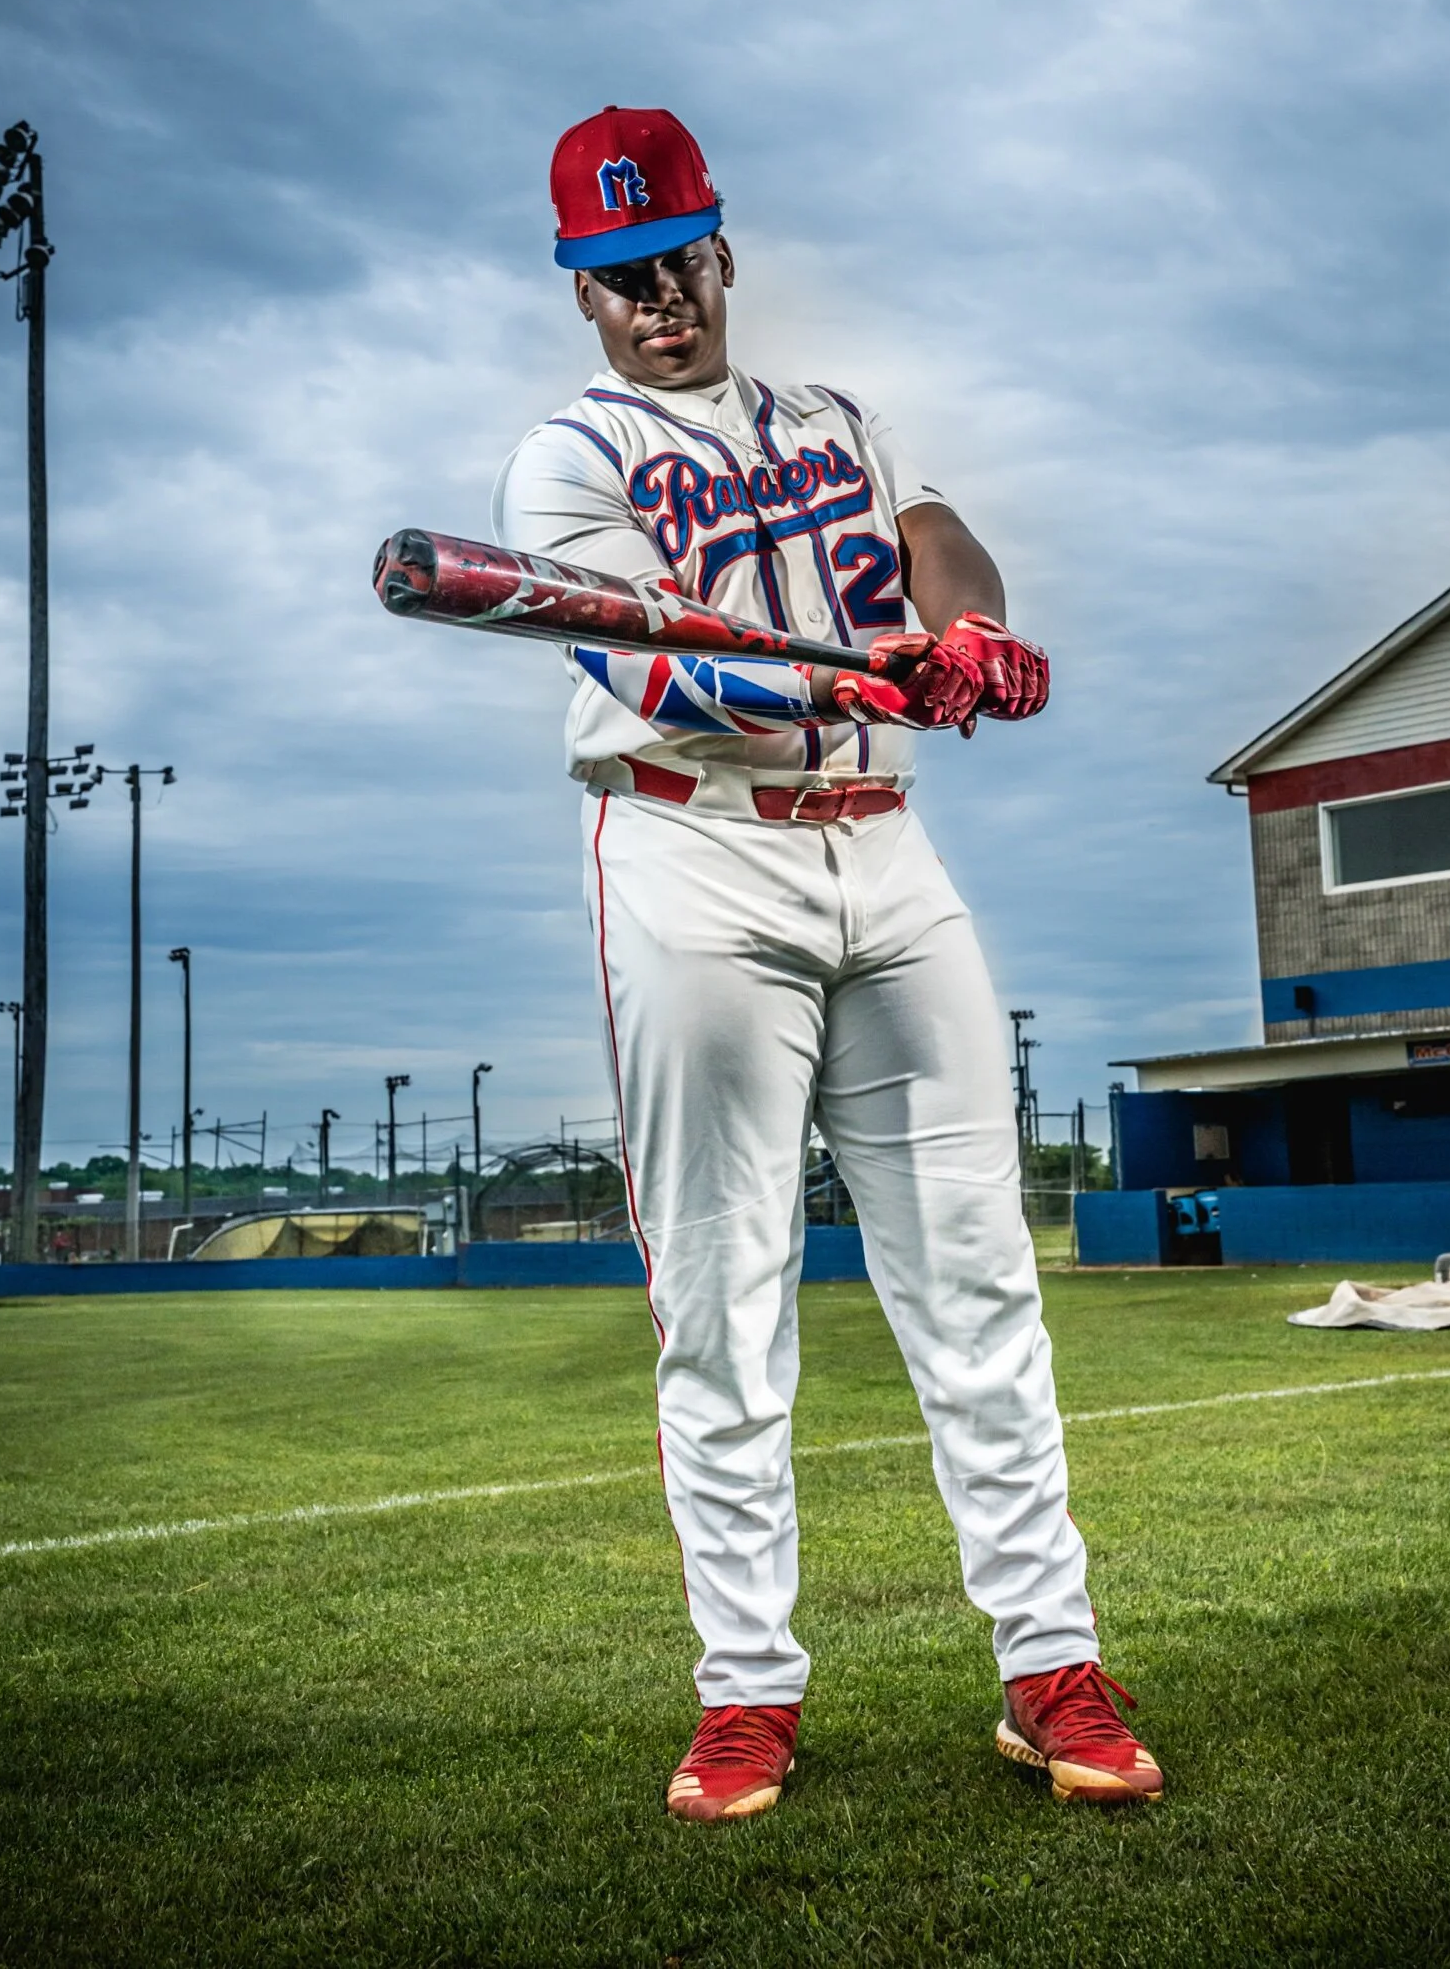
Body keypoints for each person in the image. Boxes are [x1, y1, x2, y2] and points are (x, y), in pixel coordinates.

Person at [493, 105, 1162, 1820]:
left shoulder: (834, 414)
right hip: (692, 849)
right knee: (723, 1294)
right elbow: (658, 676)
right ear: (579, 292)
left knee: (978, 1280)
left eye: (675, 263)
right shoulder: (563, 461)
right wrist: (852, 675)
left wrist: (965, 634)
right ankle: (746, 1695)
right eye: (616, 276)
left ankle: (1050, 1668)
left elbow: (937, 537)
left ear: (720, 254)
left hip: (885, 843)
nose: (655, 299)